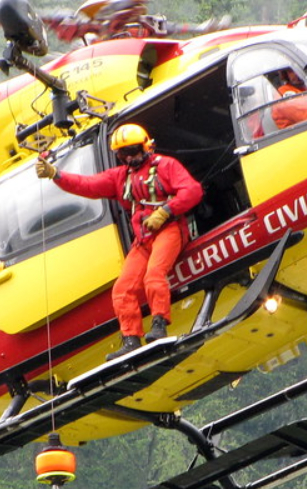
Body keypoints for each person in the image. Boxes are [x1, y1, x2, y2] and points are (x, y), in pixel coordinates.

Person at [36, 123, 203, 361]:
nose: (130, 156)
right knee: (122, 290)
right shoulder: (120, 177)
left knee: (154, 275)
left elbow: (192, 191)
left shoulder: (166, 166)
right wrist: (56, 174)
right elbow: (88, 185)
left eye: (133, 150)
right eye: (123, 153)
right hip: (143, 240)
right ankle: (131, 340)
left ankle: (159, 325)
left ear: (146, 146)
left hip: (170, 230)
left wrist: (166, 211)